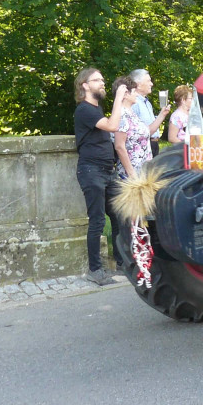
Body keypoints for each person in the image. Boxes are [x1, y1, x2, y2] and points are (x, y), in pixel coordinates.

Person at [74, 67, 129, 286]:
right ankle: (95, 270)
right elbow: (112, 126)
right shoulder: (84, 110)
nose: (102, 82)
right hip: (91, 171)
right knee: (97, 221)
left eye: (102, 79)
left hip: (108, 171)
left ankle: (122, 263)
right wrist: (119, 99)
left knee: (119, 216)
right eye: (96, 80)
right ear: (84, 85)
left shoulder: (97, 109)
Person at [111, 76, 152, 177]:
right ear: (125, 94)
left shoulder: (131, 112)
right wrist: (131, 174)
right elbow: (119, 146)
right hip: (131, 175)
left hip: (143, 171)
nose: (137, 94)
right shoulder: (121, 114)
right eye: (134, 91)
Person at [129, 68, 170, 157]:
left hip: (153, 145)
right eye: (148, 81)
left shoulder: (147, 103)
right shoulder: (134, 103)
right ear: (138, 85)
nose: (151, 84)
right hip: (142, 146)